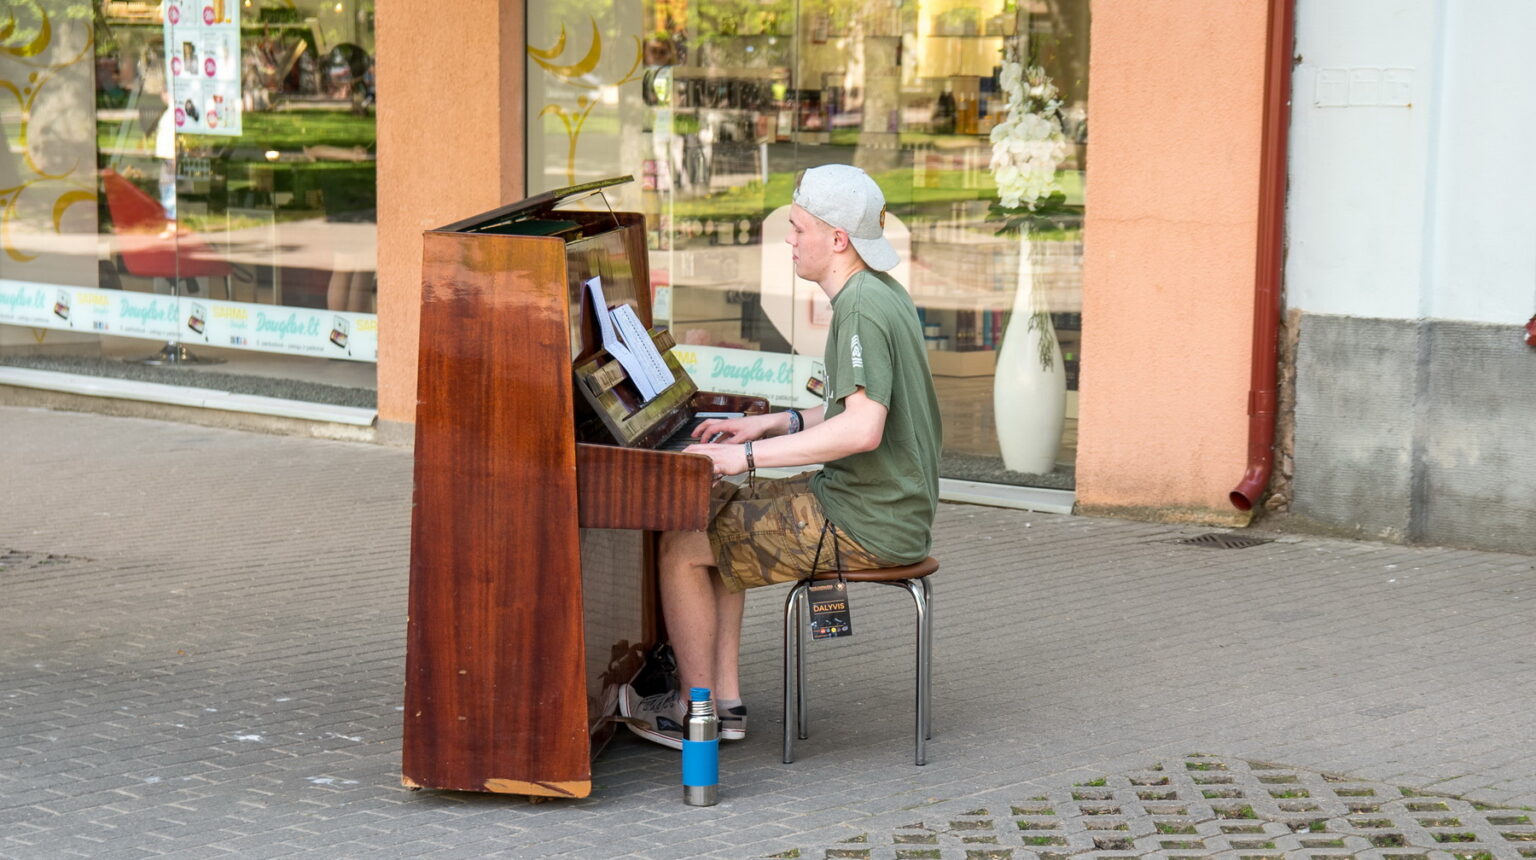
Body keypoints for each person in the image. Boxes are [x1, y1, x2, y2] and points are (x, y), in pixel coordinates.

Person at [620, 164, 942, 748]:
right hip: (883, 507)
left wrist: (742, 459)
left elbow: (864, 430)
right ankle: (727, 702)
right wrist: (777, 421)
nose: (789, 241)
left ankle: (695, 717)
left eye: (798, 228)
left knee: (681, 545)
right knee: (715, 517)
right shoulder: (881, 292)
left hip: (866, 520)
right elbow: (857, 410)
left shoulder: (859, 309)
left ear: (837, 239)